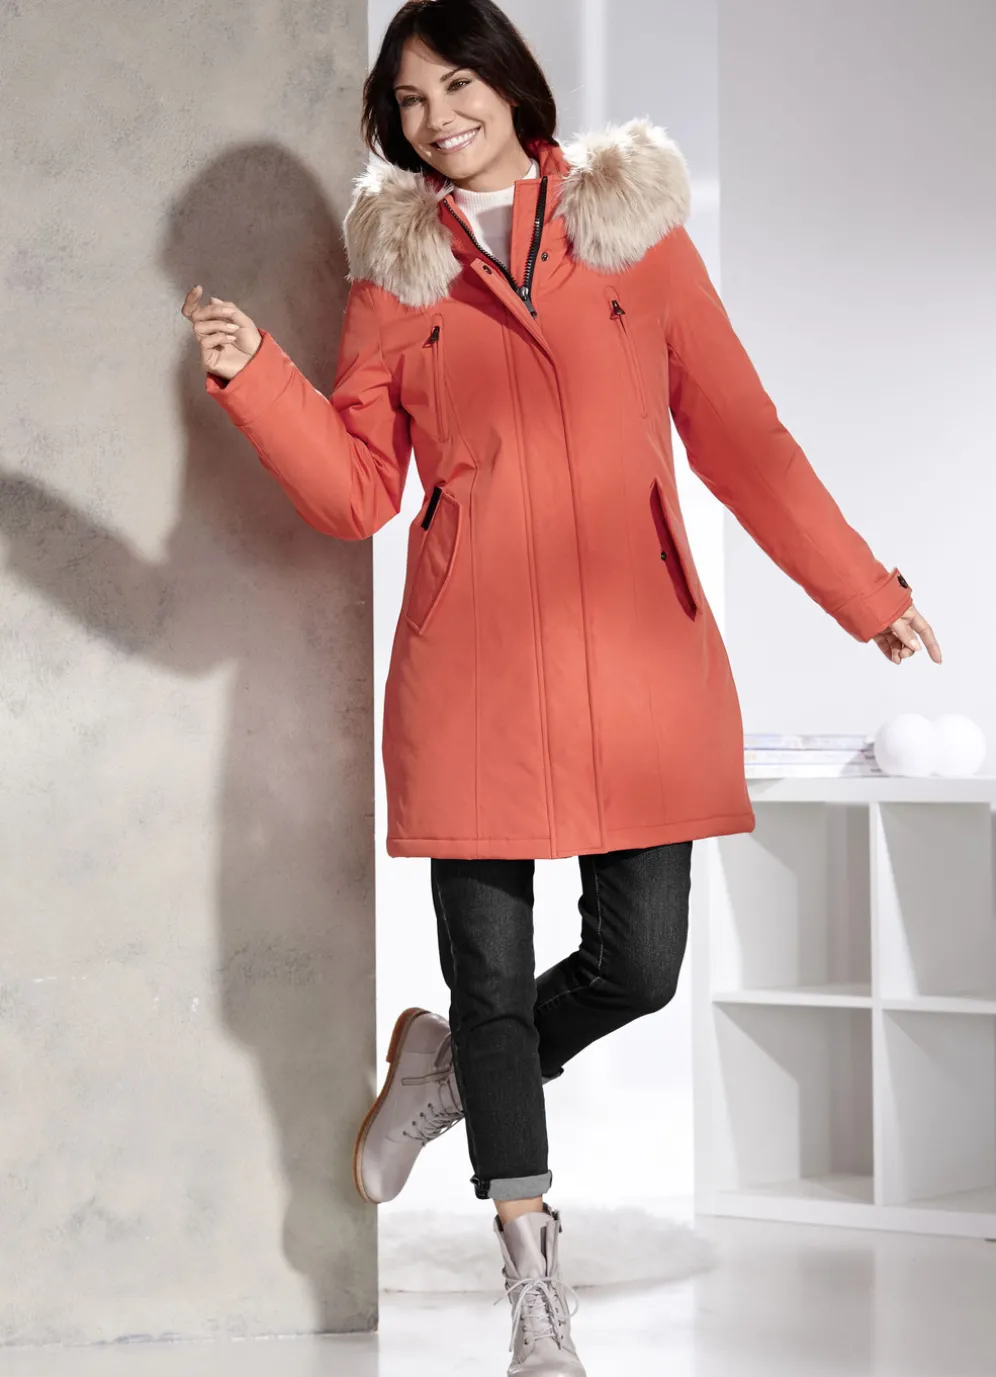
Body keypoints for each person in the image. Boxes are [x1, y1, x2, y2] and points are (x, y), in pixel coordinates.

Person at [182, 0, 941, 1370]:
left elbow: (743, 439)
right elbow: (358, 493)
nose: (436, 119)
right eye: (409, 103)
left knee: (639, 967)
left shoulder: (631, 231)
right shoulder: (397, 274)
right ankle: (535, 1291)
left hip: (639, 664)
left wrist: (863, 594)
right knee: (490, 983)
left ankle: (445, 1073)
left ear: (508, 79)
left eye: (454, 85)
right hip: (469, 669)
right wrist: (260, 383)